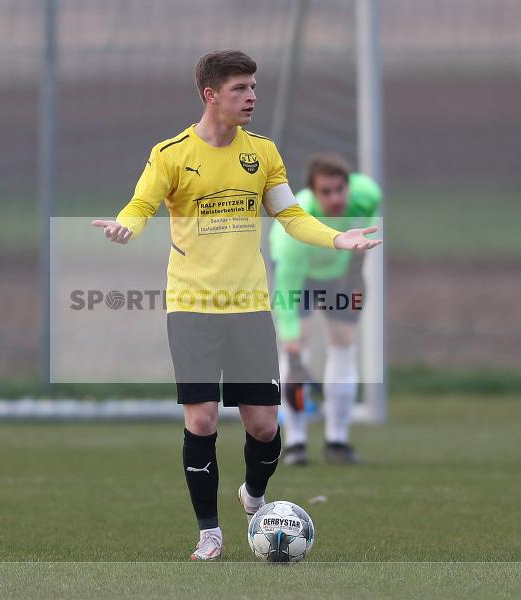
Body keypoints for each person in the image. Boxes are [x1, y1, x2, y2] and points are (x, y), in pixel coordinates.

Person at [91, 50, 381, 561]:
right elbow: (141, 205)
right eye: (240, 89)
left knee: (265, 426)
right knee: (201, 419)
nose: (251, 97)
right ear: (211, 94)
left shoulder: (262, 153)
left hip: (248, 305)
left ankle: (254, 496)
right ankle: (209, 533)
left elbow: (290, 215)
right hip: (192, 305)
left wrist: (339, 239)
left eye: (253, 88)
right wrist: (126, 227)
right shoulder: (171, 153)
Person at [269, 153, 382, 466]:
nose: (335, 198)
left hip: (338, 274)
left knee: (344, 343)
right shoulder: (293, 232)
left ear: (349, 186)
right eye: (325, 192)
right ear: (312, 193)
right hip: (299, 277)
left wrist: (357, 268)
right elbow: (287, 290)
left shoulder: (367, 195)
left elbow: (369, 225)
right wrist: (290, 343)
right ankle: (295, 443)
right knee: (296, 351)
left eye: (339, 189)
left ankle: (337, 441)